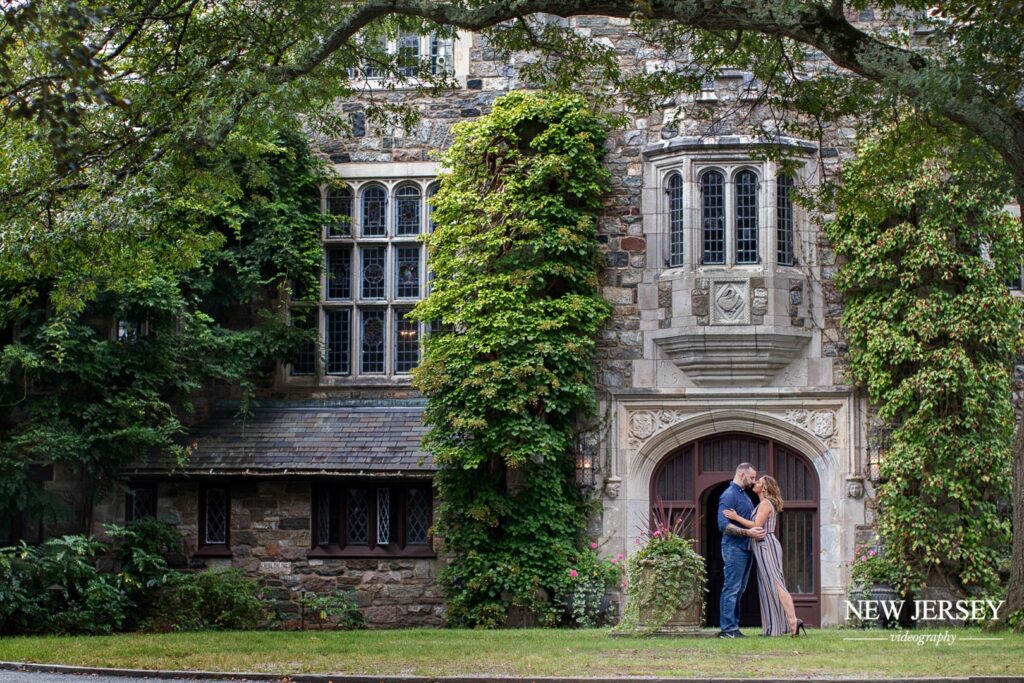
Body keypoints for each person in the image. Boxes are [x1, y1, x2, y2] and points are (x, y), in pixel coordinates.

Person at [725, 475, 806, 637]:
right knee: (766, 586)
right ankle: (772, 629)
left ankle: (792, 620)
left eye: (759, 482)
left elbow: (757, 525)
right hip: (761, 545)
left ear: (765, 488)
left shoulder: (765, 503)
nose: (755, 483)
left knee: (776, 584)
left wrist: (736, 518)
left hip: (766, 544)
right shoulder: (764, 503)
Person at [716, 462, 765, 638]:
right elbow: (723, 525)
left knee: (739, 589)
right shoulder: (729, 495)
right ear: (742, 475)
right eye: (752, 477)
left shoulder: (744, 495)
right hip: (733, 548)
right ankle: (727, 629)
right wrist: (748, 532)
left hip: (745, 548)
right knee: (732, 588)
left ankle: (733, 627)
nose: (753, 481)